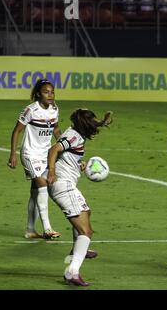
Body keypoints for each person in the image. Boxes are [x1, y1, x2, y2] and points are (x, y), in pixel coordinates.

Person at [47, 109, 112, 286]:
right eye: (93, 121)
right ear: (86, 124)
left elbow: (65, 153)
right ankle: (72, 272)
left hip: (66, 185)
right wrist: (52, 172)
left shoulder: (76, 132)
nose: (94, 124)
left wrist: (102, 123)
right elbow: (54, 149)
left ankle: (78, 249)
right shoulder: (74, 137)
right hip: (63, 186)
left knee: (86, 212)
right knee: (86, 231)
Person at [8, 78, 62, 239]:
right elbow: (16, 131)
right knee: (42, 185)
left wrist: (63, 146)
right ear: (38, 94)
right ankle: (47, 229)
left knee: (35, 193)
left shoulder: (54, 109)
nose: (50, 95)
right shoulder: (31, 110)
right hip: (30, 154)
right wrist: (13, 154)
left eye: (52, 92)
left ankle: (30, 230)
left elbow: (56, 130)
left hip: (45, 154)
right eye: (46, 92)